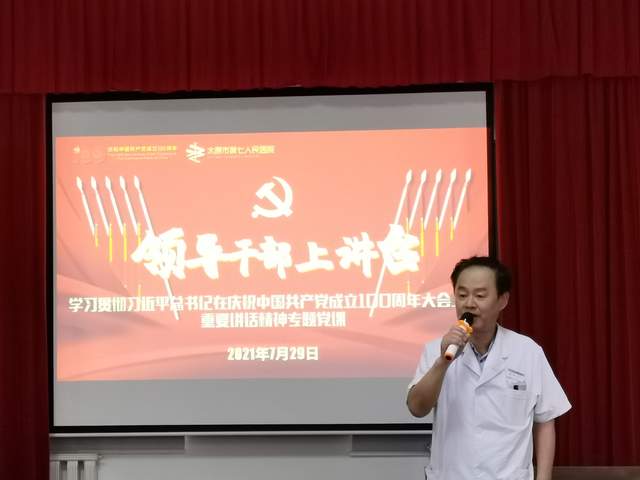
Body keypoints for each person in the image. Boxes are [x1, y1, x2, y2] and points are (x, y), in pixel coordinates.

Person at [406, 256, 571, 480]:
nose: (469, 303)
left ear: (502, 300)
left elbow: (545, 420)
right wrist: (443, 362)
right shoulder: (437, 349)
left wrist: (543, 478)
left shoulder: (527, 352)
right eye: (462, 295)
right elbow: (417, 408)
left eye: (480, 295)